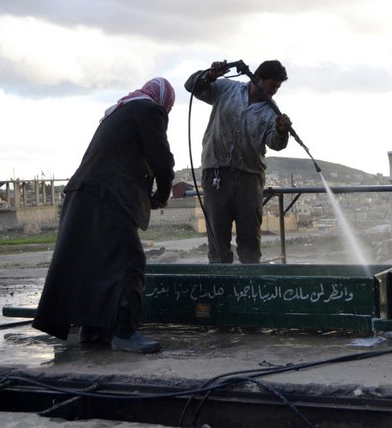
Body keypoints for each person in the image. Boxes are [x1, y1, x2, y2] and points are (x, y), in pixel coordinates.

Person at [32, 77, 176, 354]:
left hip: (82, 194)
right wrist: (162, 195)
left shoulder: (118, 112)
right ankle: (125, 332)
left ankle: (93, 330)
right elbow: (162, 159)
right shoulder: (149, 110)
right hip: (107, 196)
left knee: (94, 262)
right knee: (129, 260)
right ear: (164, 101)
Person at [184, 60, 292, 263]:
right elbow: (191, 87)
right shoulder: (226, 89)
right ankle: (220, 287)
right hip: (216, 173)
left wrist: (280, 130)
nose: (274, 91)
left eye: (278, 87)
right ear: (258, 79)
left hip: (249, 178)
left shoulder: (271, 111)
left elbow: (275, 144)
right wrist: (211, 74)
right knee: (217, 242)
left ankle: (250, 286)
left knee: (250, 242)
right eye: (272, 85)